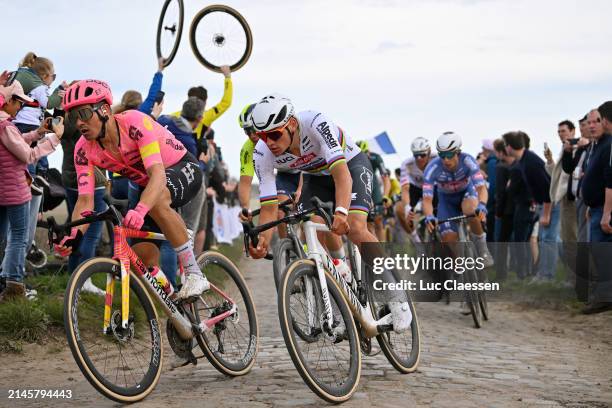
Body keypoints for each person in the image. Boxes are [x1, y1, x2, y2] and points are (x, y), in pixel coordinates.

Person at [247, 95, 412, 332]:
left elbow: (342, 176)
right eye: (262, 136)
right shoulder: (262, 153)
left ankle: (397, 297)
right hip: (316, 178)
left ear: (292, 124)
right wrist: (262, 241)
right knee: (310, 232)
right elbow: (269, 206)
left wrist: (342, 212)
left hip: (350, 166)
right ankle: (339, 284)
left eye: (274, 134)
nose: (269, 142)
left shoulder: (315, 123)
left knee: (355, 227)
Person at [55, 79, 208, 300]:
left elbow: (157, 175)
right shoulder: (83, 149)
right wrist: (74, 235)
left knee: (154, 202)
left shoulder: (135, 122)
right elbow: (85, 201)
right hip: (151, 187)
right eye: (73, 116)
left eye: (85, 113)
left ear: (105, 110)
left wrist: (140, 209)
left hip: (181, 167)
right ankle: (174, 299)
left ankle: (194, 273)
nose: (79, 122)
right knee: (140, 260)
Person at [0, 81, 63, 301]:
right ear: (8, 101)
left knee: (2, 237)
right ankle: (14, 286)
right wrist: (55, 138)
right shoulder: (5, 126)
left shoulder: (5, 125)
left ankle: (3, 280)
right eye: (18, 103)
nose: (20, 108)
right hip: (14, 191)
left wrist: (38, 133)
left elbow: (16, 142)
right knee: (18, 238)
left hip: (2, 190)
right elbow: (28, 156)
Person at [422, 132, 494, 266]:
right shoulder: (432, 168)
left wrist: (482, 204)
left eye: (449, 155)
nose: (446, 160)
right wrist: (429, 215)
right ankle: (458, 269)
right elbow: (427, 200)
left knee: (471, 210)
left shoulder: (468, 161)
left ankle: (482, 247)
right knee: (448, 239)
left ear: (458, 152)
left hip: (467, 193)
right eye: (442, 155)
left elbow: (481, 189)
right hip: (446, 201)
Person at [237, 99, 301, 238]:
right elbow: (245, 183)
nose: (252, 135)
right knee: (280, 211)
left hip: (305, 171)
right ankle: (289, 250)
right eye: (247, 131)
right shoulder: (249, 148)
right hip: (286, 176)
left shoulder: (281, 135)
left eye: (253, 129)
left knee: (309, 214)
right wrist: (246, 209)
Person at [503, 131, 558, 282]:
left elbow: (548, 188)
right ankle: (542, 274)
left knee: (548, 239)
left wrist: (546, 213)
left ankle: (548, 275)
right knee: (542, 239)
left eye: (505, 145)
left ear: (509, 146)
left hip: (549, 204)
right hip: (541, 204)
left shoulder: (530, 163)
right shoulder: (523, 160)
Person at [396, 137, 436, 237]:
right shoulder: (407, 164)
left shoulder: (437, 158)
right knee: (399, 209)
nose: (419, 159)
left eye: (422, 155)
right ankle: (416, 241)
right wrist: (407, 207)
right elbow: (405, 188)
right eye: (416, 155)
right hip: (416, 188)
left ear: (429, 152)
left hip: (434, 187)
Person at [356, 140, 390, 241]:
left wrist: (386, 196)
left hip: (373, 186)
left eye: (365, 154)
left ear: (369, 152)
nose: (364, 158)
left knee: (378, 220)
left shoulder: (376, 158)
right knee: (367, 223)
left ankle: (382, 249)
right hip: (361, 185)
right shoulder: (353, 158)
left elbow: (385, 178)